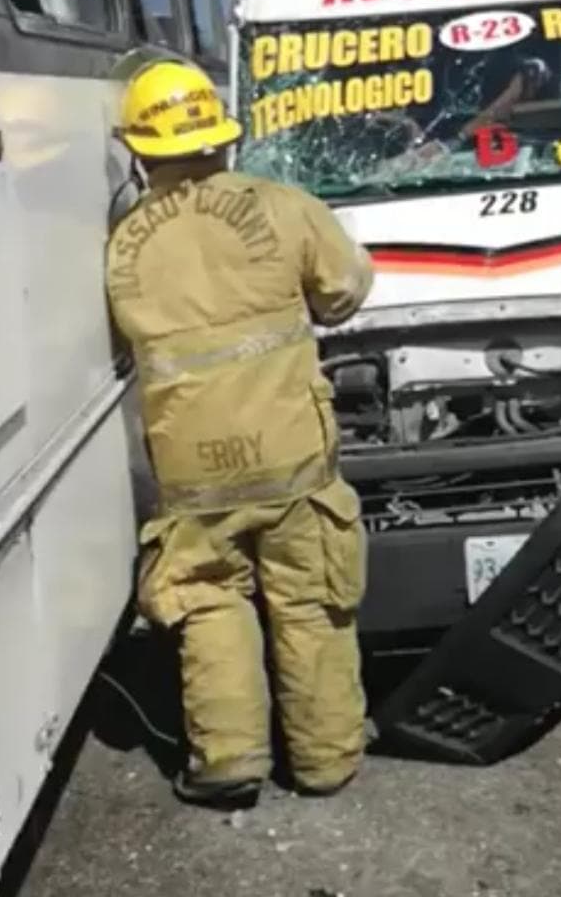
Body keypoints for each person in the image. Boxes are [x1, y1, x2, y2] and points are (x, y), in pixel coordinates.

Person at [105, 57, 374, 811]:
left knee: (208, 600)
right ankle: (325, 760)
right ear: (223, 139)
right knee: (310, 602)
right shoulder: (284, 207)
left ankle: (227, 760)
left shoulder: (122, 244)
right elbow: (343, 293)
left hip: (191, 468)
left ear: (140, 152)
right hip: (291, 457)